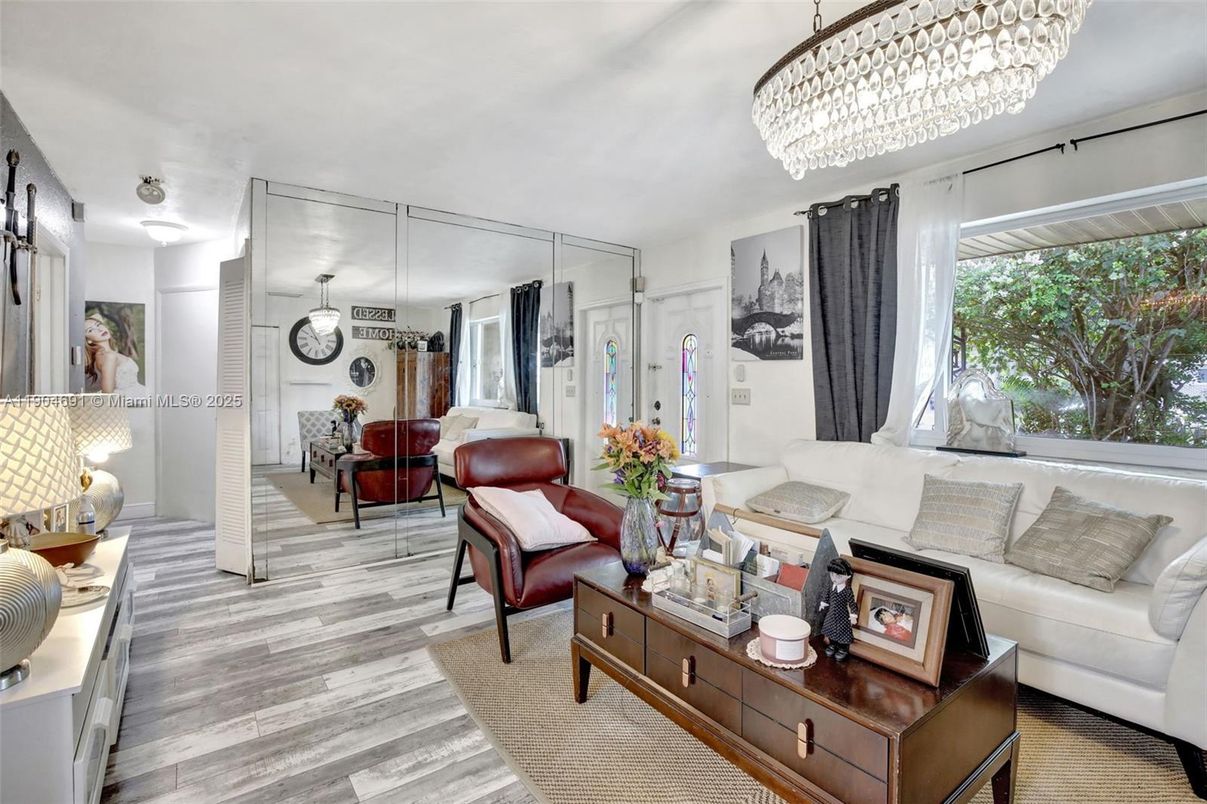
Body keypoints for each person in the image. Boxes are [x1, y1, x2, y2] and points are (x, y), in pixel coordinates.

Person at [84, 312, 147, 395]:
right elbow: (107, 394)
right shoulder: (108, 356)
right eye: (91, 330)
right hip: (129, 400)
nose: (99, 329)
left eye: (98, 324)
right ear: (88, 340)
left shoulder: (102, 354)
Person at [818, 557, 857, 661]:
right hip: (831, 614)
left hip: (842, 615)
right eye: (832, 575)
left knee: (842, 632)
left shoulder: (847, 590)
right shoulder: (831, 586)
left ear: (847, 576)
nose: (834, 578)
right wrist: (823, 603)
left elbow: (852, 603)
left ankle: (843, 649)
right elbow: (826, 595)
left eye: (838, 576)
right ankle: (832, 645)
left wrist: (853, 615)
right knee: (830, 629)